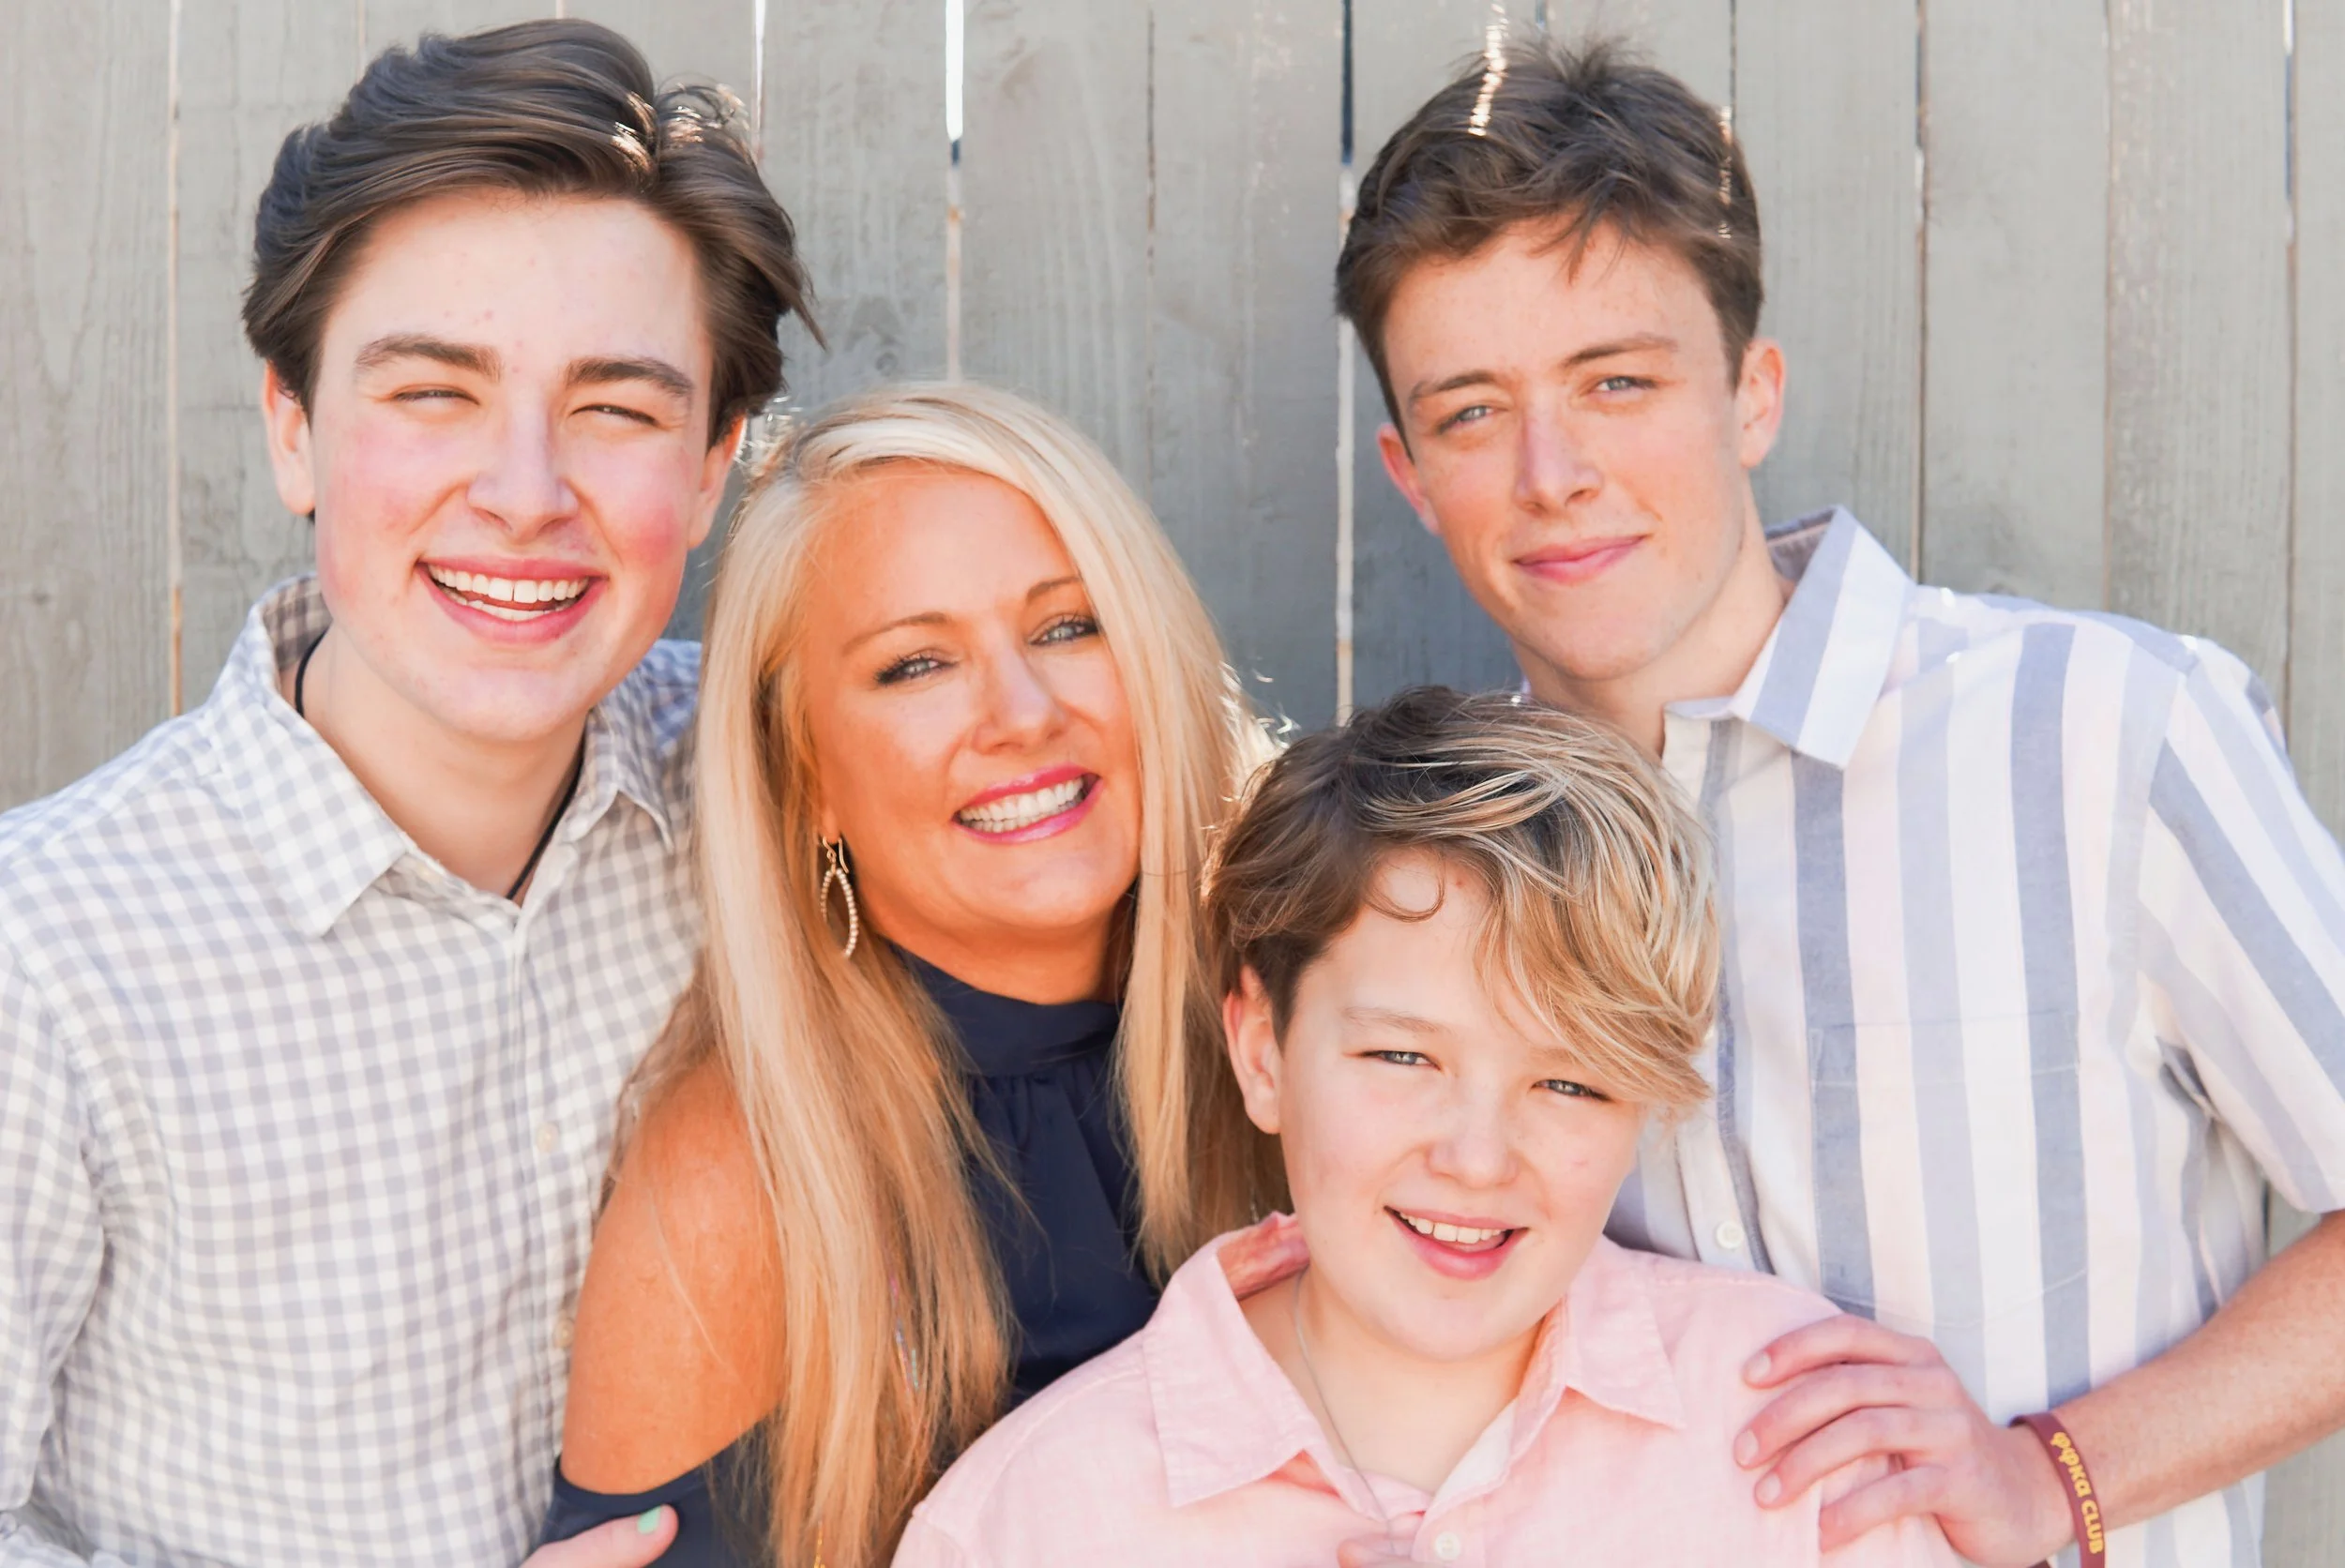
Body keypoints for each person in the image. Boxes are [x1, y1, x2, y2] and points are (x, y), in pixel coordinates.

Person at [1336, 36, 2345, 1568]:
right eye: (1474, 412)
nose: (1554, 469)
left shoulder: (2106, 734)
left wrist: (2051, 1476)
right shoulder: (1431, 877)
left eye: (1619, 381)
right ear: (1414, 476)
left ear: (1752, 395)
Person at [0, 22, 810, 1565]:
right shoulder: (45, 958)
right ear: (294, 428)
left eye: (617, 408)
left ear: (711, 469)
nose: (521, 489)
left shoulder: (779, 785)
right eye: (434, 393)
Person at [892, 686, 1957, 1567]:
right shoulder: (1026, 1523)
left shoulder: (1798, 1424)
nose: (1479, 1157)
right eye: (1404, 1057)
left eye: (1571, 1082)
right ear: (1263, 1050)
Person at [537, 383, 1283, 1568]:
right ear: (808, 778)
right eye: (915, 665)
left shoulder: (1309, 1038)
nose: (1024, 713)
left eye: (1067, 626)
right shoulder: (750, 1178)